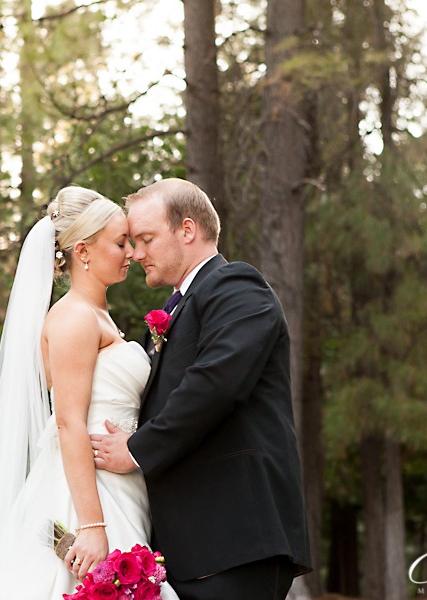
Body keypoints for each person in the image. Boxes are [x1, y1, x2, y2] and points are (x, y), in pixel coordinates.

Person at [0, 187, 179, 599]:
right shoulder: (73, 318)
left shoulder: (99, 316)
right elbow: (69, 421)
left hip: (121, 483)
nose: (131, 252)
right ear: (83, 251)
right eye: (120, 242)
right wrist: (91, 525)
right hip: (88, 493)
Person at [91, 178, 312, 600]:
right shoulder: (176, 308)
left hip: (234, 537)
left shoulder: (236, 287)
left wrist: (137, 448)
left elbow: (215, 384)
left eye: (146, 239)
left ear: (187, 230)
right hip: (192, 545)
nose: (136, 254)